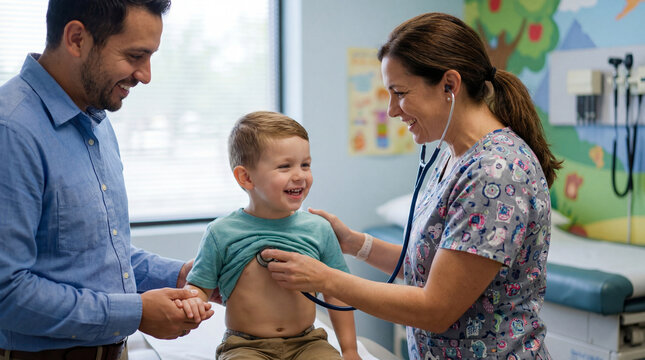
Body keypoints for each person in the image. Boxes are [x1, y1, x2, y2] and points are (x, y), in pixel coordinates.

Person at [261, 12, 562, 360]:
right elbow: (429, 267)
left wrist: (324, 279)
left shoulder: (495, 172)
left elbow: (435, 308)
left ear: (449, 85)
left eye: (400, 93)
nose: (391, 111)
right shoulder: (452, 155)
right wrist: (353, 243)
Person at [0, 1, 214, 359]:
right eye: (134, 56)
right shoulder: (12, 131)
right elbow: (7, 291)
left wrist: (177, 275)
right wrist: (137, 313)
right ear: (77, 38)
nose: (145, 75)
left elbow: (94, 252)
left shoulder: (95, 120)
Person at [176, 111, 361, 360]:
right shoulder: (221, 232)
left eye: (305, 164)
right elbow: (199, 286)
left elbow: (337, 291)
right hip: (244, 346)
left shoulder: (318, 229)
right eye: (285, 166)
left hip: (307, 342)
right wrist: (193, 301)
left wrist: (350, 351)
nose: (299, 175)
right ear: (246, 177)